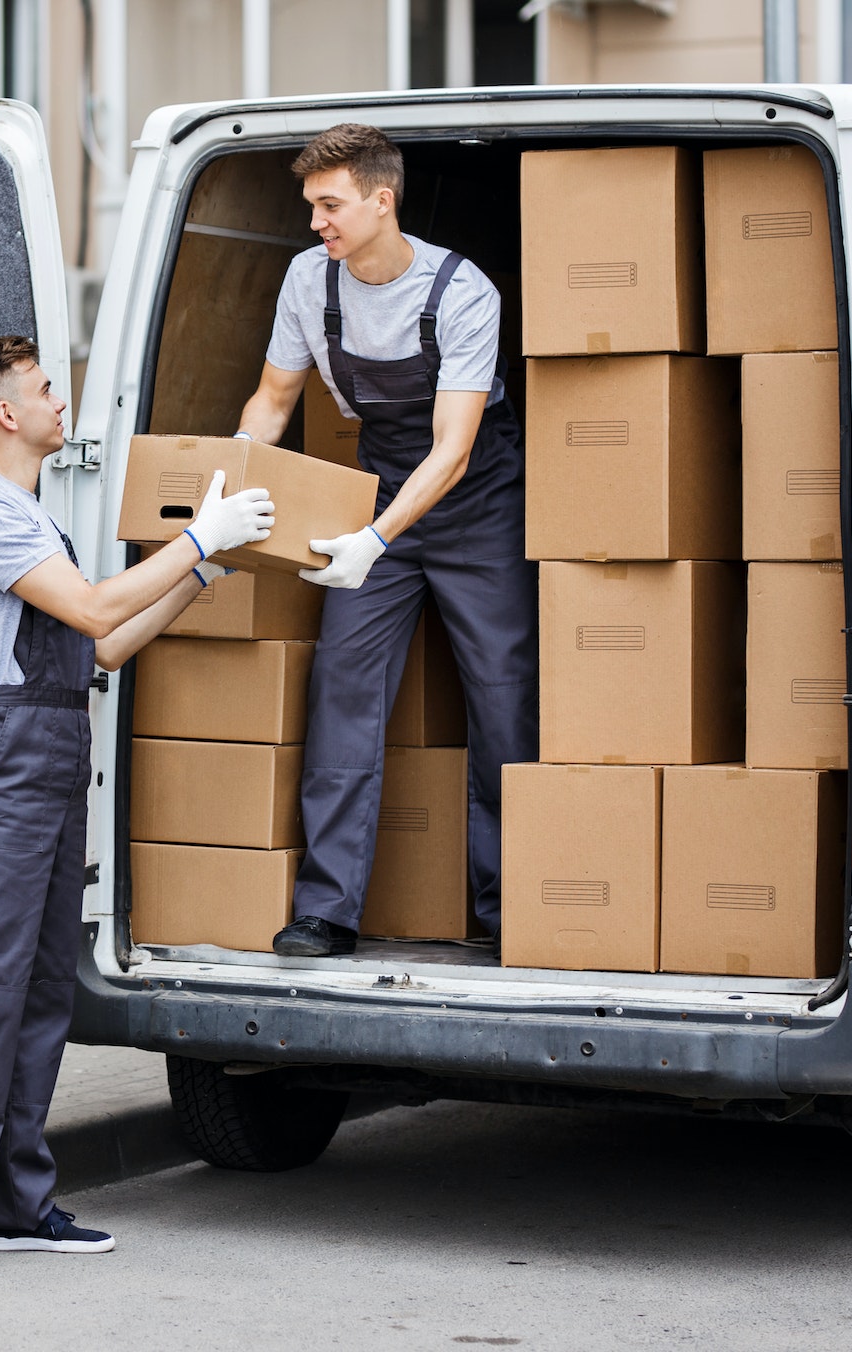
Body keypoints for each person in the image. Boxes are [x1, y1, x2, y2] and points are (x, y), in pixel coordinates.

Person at [0, 334, 275, 1286]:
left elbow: (101, 649)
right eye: (44, 388)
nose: (62, 401)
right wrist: (196, 538)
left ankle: (13, 1205)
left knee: (41, 993)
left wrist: (199, 575)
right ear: (6, 416)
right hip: (2, 756)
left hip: (55, 746)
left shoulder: (34, 515)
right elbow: (100, 612)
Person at [233, 123, 537, 959]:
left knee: (505, 700)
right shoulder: (308, 279)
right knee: (343, 690)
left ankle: (511, 907)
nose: (315, 222)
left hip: (475, 504)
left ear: (381, 199)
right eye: (311, 206)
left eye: (329, 205)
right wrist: (231, 479)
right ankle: (326, 909)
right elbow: (273, 398)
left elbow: (455, 448)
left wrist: (373, 538)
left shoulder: (463, 291)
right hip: (380, 502)